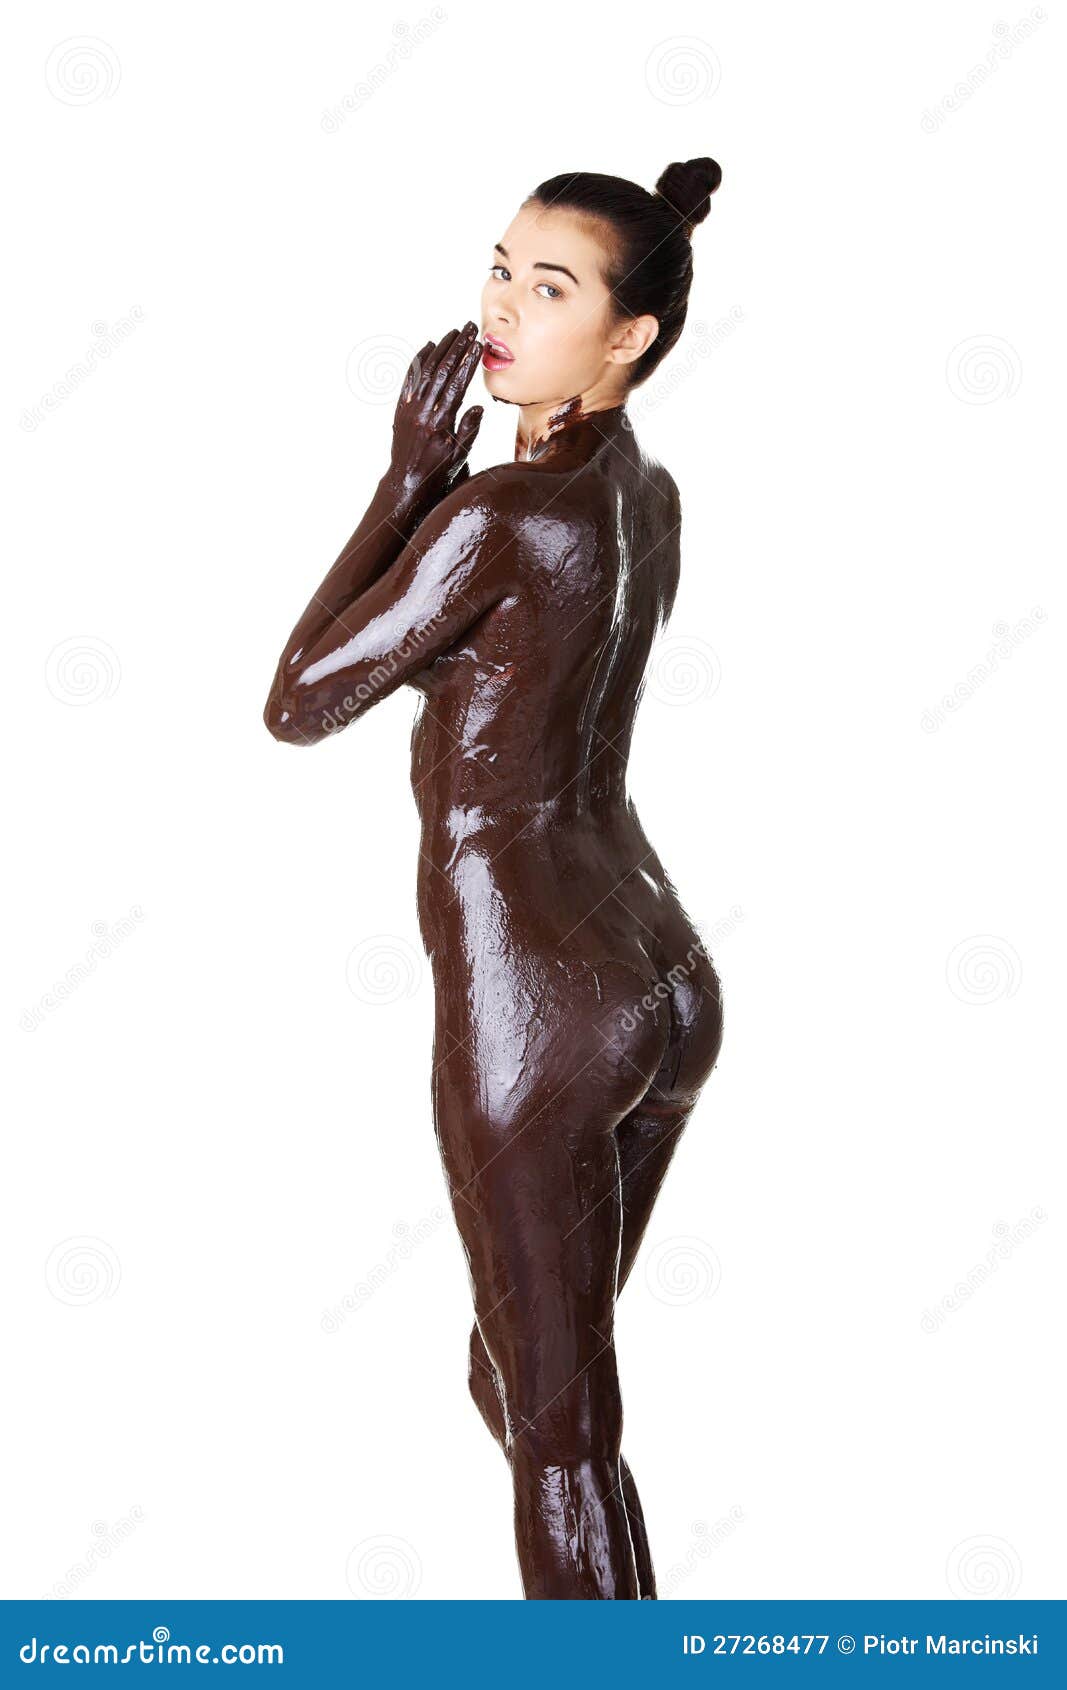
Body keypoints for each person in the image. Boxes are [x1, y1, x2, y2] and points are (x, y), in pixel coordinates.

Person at [264, 158, 726, 1599]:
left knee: (559, 1433)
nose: (504, 309)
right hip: (664, 978)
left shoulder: (498, 516)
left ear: (630, 334)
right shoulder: (646, 498)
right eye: (501, 269)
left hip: (541, 989)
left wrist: (408, 479)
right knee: (530, 1390)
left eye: (552, 287)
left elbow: (301, 699)